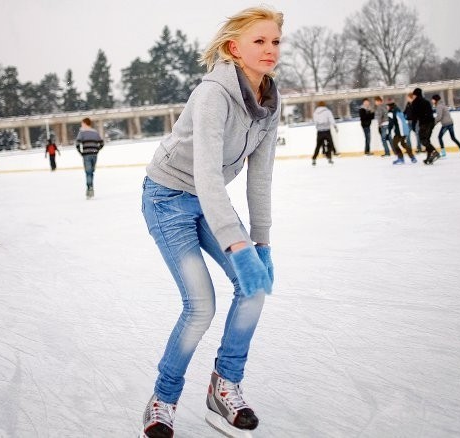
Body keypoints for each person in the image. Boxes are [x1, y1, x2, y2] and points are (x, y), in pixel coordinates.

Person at [140, 6, 281, 438]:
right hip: (168, 197)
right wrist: (238, 246)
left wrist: (261, 242)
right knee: (201, 305)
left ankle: (224, 387)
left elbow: (260, 176)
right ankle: (163, 399)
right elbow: (204, 172)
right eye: (259, 41)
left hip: (209, 199)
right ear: (234, 48)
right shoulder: (213, 94)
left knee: (253, 288)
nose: (270, 49)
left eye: (275, 41)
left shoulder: (270, 98)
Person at [75, 118, 103, 199]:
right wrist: (97, 150)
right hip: (94, 154)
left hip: (86, 155)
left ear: (85, 123)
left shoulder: (82, 132)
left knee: (88, 172)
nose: (81, 125)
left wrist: (81, 152)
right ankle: (90, 188)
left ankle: (90, 189)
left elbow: (77, 144)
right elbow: (102, 143)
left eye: (82, 123)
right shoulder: (95, 132)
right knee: (91, 172)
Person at [411, 88, 440, 164]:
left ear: (415, 95)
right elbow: (430, 112)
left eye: (413, 95)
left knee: (423, 139)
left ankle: (434, 152)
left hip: (424, 123)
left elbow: (414, 116)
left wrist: (413, 126)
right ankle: (429, 158)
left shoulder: (415, 103)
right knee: (427, 140)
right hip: (431, 122)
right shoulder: (426, 102)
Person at [386, 100, 417, 164]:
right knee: (403, 144)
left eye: (387, 106)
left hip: (400, 131)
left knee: (395, 144)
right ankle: (412, 157)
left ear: (390, 106)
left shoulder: (391, 112)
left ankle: (401, 158)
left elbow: (390, 124)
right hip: (405, 129)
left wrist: (388, 133)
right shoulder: (398, 109)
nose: (387, 108)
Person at [312, 101, 338, 165]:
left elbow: (315, 122)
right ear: (324, 105)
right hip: (327, 131)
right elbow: (331, 119)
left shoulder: (315, 112)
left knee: (318, 146)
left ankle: (314, 159)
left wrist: (318, 127)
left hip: (320, 132)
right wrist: (335, 126)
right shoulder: (327, 111)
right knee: (330, 144)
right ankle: (329, 157)